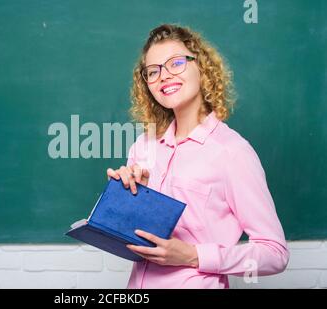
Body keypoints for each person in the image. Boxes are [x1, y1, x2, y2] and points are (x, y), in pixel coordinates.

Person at [106, 24, 289, 289]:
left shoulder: (232, 152)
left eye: (176, 63)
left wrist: (194, 256)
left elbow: (275, 254)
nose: (164, 76)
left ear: (201, 67)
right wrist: (129, 199)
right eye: (153, 71)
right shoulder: (143, 146)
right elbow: (136, 238)